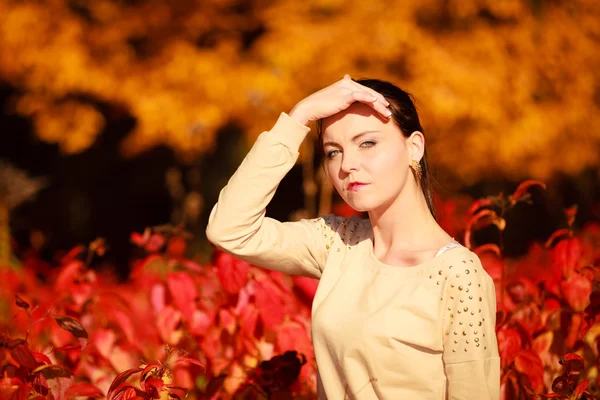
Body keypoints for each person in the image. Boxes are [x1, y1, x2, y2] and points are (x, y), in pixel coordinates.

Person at [206, 75, 500, 399]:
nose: (347, 165)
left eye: (367, 143)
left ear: (413, 146)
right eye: (333, 152)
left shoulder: (458, 274)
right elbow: (229, 229)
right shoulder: (339, 243)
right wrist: (300, 115)